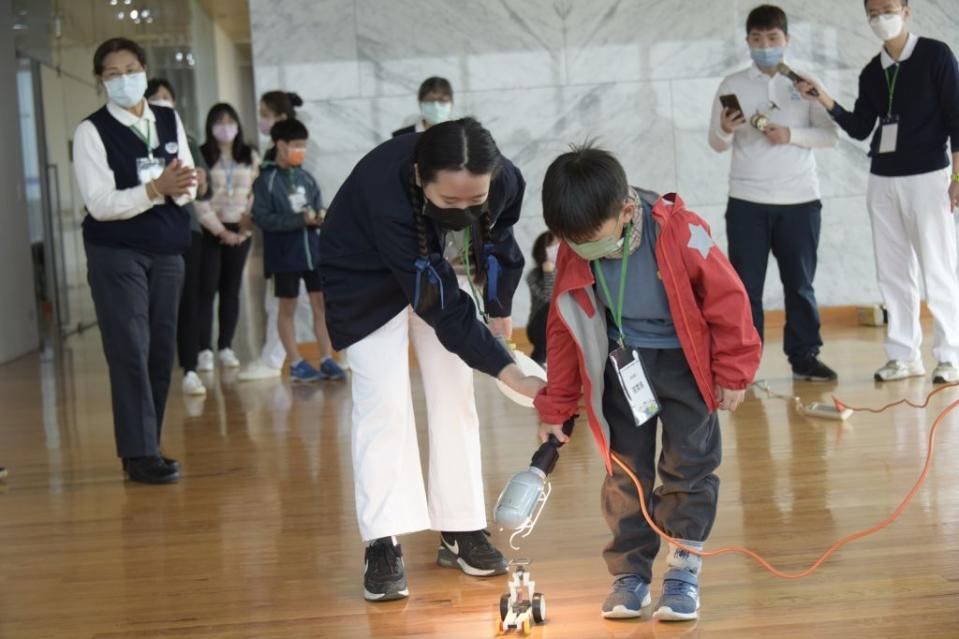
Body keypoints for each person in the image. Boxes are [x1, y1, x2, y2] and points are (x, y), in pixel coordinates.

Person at [533, 145, 761, 621]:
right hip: (622, 366)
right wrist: (556, 407)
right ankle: (629, 573)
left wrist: (734, 371)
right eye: (573, 243)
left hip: (684, 364)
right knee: (625, 471)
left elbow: (729, 298)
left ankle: (682, 568)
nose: (584, 252)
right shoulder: (577, 250)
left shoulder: (680, 229)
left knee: (689, 466)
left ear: (627, 211)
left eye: (594, 240)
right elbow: (562, 329)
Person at [318, 118, 541, 601]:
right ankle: (383, 538)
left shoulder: (504, 180)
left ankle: (461, 528)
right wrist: (504, 367)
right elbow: (436, 300)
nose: (464, 209)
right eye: (450, 202)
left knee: (455, 393)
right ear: (421, 177)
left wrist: (499, 308)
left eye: (474, 200)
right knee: (384, 404)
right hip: (363, 274)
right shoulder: (387, 192)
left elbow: (501, 238)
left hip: (435, 267)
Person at [794, 0, 959, 384]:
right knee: (893, 272)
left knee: (938, 267)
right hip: (882, 179)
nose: (880, 18)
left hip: (930, 176)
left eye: (888, 9)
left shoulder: (936, 55)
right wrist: (823, 98)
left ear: (906, 10)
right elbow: (859, 127)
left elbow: (957, 117)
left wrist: (957, 178)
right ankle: (904, 355)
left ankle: (950, 355)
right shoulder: (872, 71)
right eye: (873, 13)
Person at [73, 38, 197, 484]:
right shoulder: (92, 131)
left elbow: (187, 183)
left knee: (161, 350)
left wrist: (179, 186)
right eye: (111, 73)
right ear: (101, 81)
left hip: (166, 247)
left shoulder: (167, 117)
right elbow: (101, 203)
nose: (123, 78)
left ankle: (148, 443)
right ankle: (139, 452)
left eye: (130, 68)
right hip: (116, 250)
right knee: (129, 347)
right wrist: (154, 189)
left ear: (144, 69)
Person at [708, 4, 839, 382]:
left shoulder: (803, 83)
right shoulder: (731, 84)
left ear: (786, 40)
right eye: (757, 39)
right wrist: (725, 129)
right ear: (747, 41)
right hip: (747, 201)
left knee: (799, 284)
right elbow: (716, 144)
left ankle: (804, 357)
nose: (765, 45)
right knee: (744, 288)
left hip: (800, 200)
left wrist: (791, 135)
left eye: (772, 38)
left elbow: (830, 135)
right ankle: (744, 363)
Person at [251, 119, 345, 382]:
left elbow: (318, 205)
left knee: (321, 305)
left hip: (313, 253)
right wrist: (297, 220)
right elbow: (261, 217)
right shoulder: (266, 180)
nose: (300, 151)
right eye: (296, 145)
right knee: (287, 307)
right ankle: (295, 362)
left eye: (303, 146)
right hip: (284, 256)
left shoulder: (306, 177)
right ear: (280, 145)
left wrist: (321, 215)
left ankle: (327, 358)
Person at [238, 91, 314, 381]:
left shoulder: (284, 161)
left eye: (266, 114)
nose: (262, 121)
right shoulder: (271, 161)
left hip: (293, 244)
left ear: (281, 118)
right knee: (286, 304)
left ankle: (274, 359)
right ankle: (277, 356)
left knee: (286, 304)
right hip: (286, 241)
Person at [146, 78, 210, 397]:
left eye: (166, 97)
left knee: (188, 301)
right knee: (152, 307)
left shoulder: (187, 138)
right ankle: (155, 370)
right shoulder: (139, 141)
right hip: (147, 233)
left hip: (186, 229)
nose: (161, 102)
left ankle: (191, 368)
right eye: (155, 97)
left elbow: (201, 186)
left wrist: (197, 181)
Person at [194, 103, 258, 374]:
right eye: (219, 121)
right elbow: (197, 197)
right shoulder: (202, 155)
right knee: (206, 290)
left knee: (231, 290)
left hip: (241, 230)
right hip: (210, 229)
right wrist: (219, 230)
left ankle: (226, 347)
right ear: (210, 126)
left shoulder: (249, 155)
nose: (225, 126)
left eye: (230, 121)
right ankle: (204, 349)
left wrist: (244, 228)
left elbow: (255, 192)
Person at [525, 231, 558, 366]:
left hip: (557, 325)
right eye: (554, 247)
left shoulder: (566, 272)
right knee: (550, 308)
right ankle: (536, 366)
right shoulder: (533, 276)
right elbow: (549, 297)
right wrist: (549, 273)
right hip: (539, 326)